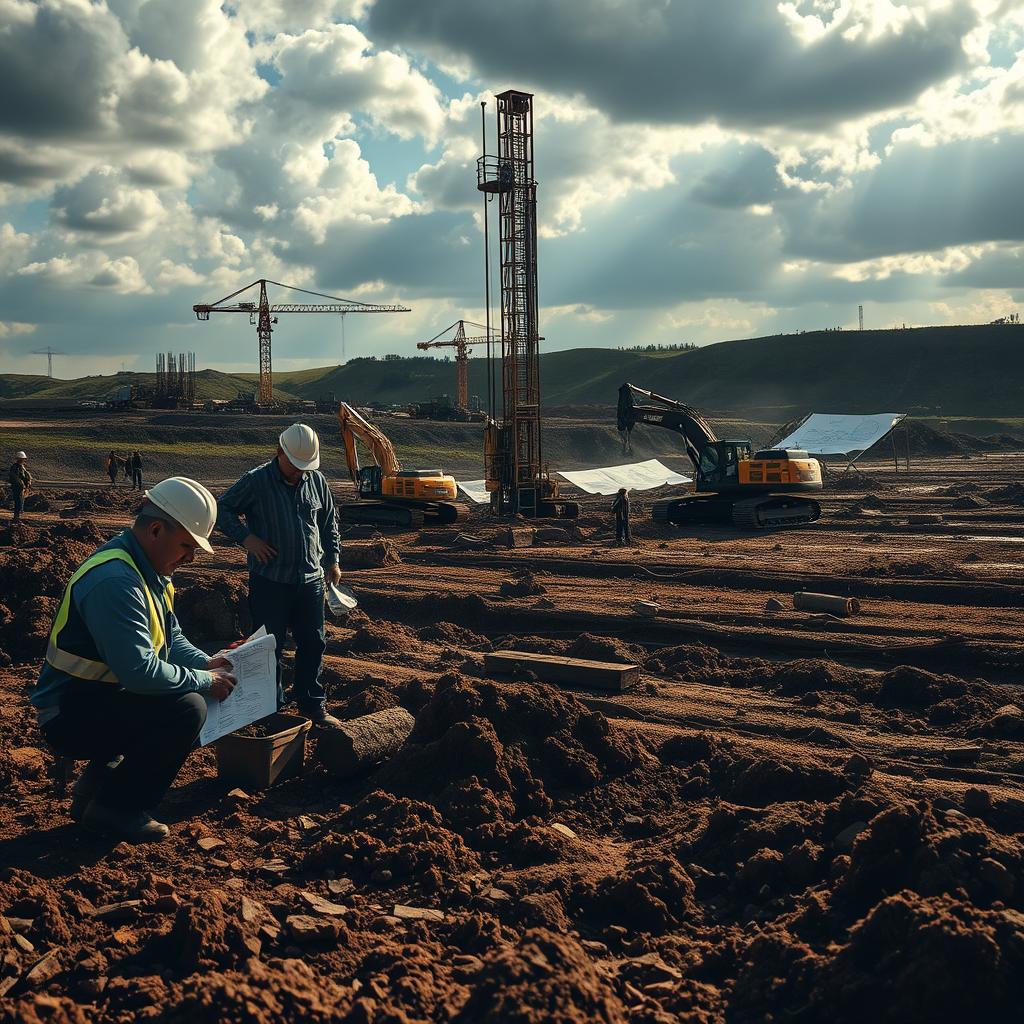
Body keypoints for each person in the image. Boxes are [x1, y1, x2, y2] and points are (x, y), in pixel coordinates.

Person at [31, 478, 236, 843]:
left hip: (95, 700)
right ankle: (117, 809)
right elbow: (141, 673)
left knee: (184, 695)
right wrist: (204, 681)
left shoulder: (150, 573)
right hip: (68, 715)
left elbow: (171, 639)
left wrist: (209, 663)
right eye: (187, 546)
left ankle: (95, 792)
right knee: (187, 709)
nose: (191, 557)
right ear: (156, 530)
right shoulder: (116, 581)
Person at [216, 423, 342, 730]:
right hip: (270, 580)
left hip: (310, 580)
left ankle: (312, 704)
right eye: (295, 466)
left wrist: (333, 560)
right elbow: (222, 509)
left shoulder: (317, 481)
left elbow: (328, 522)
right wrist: (247, 538)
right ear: (279, 451)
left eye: (304, 467)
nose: (299, 472)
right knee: (267, 646)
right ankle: (269, 709)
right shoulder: (256, 481)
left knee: (313, 643)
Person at [8, 450, 31, 523]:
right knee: (18, 502)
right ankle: (16, 517)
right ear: (19, 459)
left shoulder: (21, 467)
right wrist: (22, 484)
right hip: (17, 488)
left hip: (21, 488)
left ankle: (18, 517)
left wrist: (27, 484)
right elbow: (15, 478)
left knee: (20, 501)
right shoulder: (15, 467)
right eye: (22, 459)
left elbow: (24, 477)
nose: (23, 460)